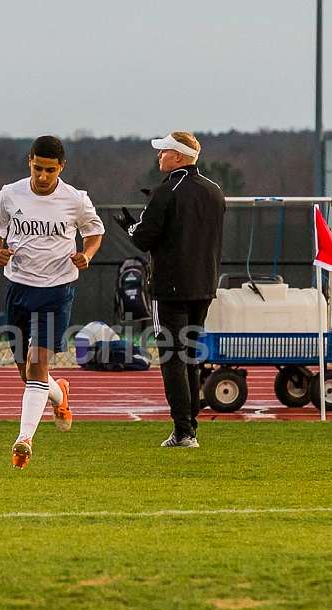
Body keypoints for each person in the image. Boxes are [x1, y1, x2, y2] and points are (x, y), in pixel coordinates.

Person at [0, 135, 104, 469]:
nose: (42, 176)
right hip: (18, 287)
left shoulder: (76, 199)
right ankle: (59, 394)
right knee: (25, 371)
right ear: (30, 162)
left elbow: (94, 232)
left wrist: (87, 254)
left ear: (61, 167)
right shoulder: (10, 194)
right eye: (38, 168)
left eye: (49, 170)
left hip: (57, 289)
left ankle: (24, 440)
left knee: (38, 365)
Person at [114, 131, 225, 447]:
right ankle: (190, 426)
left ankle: (183, 431)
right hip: (204, 285)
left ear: (178, 156)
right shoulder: (215, 191)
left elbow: (143, 238)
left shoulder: (166, 191)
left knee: (172, 357)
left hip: (170, 288)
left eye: (163, 151)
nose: (159, 156)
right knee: (190, 355)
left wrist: (129, 226)